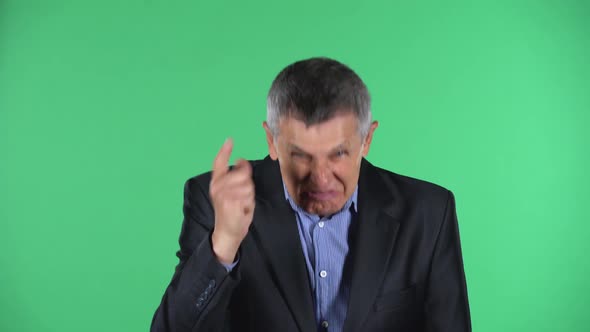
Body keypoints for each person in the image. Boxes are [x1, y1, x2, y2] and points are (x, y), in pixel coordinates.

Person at [151, 57, 471, 332]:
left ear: (367, 139)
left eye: (338, 154)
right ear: (272, 142)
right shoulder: (215, 201)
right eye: (301, 155)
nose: (320, 178)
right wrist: (223, 246)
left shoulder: (429, 213)